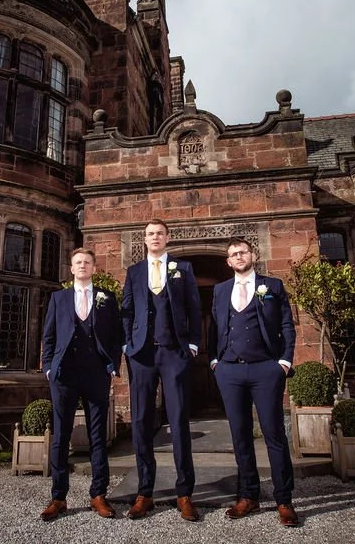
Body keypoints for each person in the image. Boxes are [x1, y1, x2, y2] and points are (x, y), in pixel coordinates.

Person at [208, 238, 300, 527]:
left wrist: (283, 362)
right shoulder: (220, 290)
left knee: (274, 434)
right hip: (230, 370)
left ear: (253, 255)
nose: (238, 256)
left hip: (265, 369)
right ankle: (248, 495)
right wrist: (215, 361)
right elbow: (214, 326)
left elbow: (287, 324)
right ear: (228, 261)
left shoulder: (271, 286)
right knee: (240, 435)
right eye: (233, 254)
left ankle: (284, 499)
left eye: (243, 252)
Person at [121, 219, 202, 521]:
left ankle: (185, 493)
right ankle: (145, 493)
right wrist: (127, 345)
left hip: (174, 353)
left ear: (168, 237)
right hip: (141, 354)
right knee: (141, 421)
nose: (155, 237)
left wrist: (193, 344)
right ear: (144, 239)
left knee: (179, 420)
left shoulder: (184, 269)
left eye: (159, 233)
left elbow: (194, 308)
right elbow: (126, 310)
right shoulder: (134, 272)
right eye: (150, 234)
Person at [40, 248, 122, 522]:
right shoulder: (58, 298)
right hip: (63, 375)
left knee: (98, 436)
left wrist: (112, 365)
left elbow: (115, 336)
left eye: (87, 262)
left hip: (96, 373)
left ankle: (98, 494)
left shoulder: (106, 298)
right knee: (61, 437)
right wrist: (49, 367)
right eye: (78, 262)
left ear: (94, 267)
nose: (83, 265)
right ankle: (58, 497)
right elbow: (48, 336)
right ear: (72, 268)